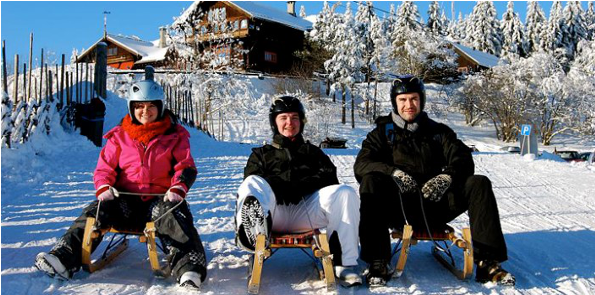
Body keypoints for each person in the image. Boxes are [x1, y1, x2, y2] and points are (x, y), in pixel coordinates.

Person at [34, 80, 207, 289]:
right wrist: (104, 187)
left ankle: (189, 268)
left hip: (160, 201)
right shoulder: (119, 136)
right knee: (95, 211)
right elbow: (104, 169)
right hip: (124, 201)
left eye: (151, 106)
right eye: (139, 106)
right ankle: (62, 258)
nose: (146, 111)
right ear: (132, 108)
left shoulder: (175, 135)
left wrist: (177, 188)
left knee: (175, 216)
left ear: (160, 107)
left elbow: (185, 166)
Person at [354, 75, 515, 287]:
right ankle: (377, 261)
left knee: (479, 183)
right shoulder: (382, 134)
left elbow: (463, 158)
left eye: (413, 99)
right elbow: (362, 164)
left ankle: (488, 262)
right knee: (371, 181)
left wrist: (447, 176)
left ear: (421, 100)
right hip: (399, 208)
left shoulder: (438, 132)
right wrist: (392, 173)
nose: (408, 105)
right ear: (395, 103)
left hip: (436, 205)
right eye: (403, 100)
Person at [235, 96, 362, 287]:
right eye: (283, 118)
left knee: (345, 192)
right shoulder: (261, 155)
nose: (289, 123)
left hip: (306, 213)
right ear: (274, 122)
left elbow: (329, 179)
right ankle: (251, 233)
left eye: (294, 117)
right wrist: (280, 186)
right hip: (273, 214)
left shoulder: (313, 153)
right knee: (252, 183)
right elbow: (252, 181)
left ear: (301, 121)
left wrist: (303, 185)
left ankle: (344, 263)